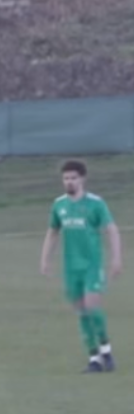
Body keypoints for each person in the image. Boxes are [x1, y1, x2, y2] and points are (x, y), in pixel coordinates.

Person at [39, 158, 122, 370]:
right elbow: (53, 231)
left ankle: (106, 350)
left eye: (73, 178)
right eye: (66, 178)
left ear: (82, 179)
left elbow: (111, 229)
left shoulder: (96, 203)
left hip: (92, 265)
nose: (69, 182)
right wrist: (45, 259)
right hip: (71, 268)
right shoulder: (59, 205)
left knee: (92, 307)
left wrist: (116, 258)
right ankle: (94, 358)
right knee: (81, 312)